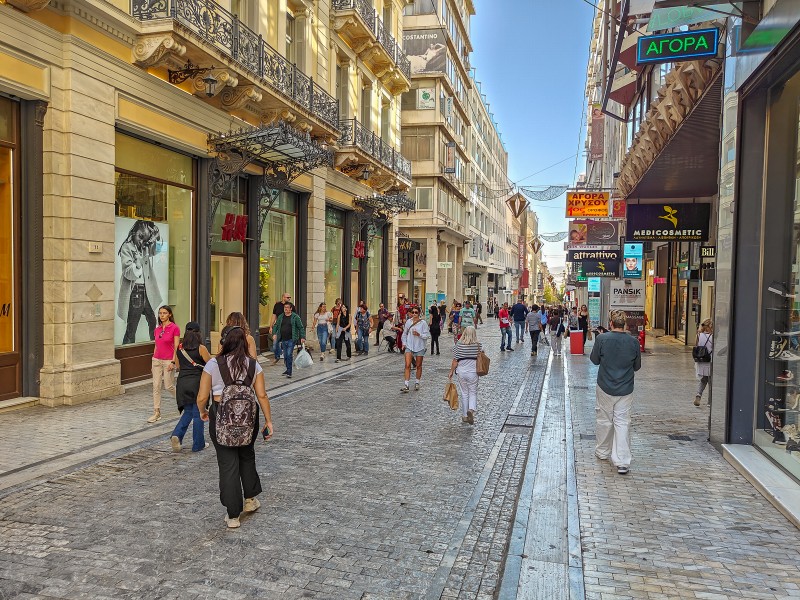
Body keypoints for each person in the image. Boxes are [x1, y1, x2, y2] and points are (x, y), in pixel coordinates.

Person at [197, 326, 274, 528]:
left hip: (220, 415)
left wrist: (203, 411)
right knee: (246, 455)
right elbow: (262, 395)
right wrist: (268, 420)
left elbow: (202, 396)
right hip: (249, 418)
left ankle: (233, 516)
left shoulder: (213, 364)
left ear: (224, 342)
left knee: (227, 462)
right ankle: (250, 499)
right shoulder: (253, 365)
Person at [589, 310, 642, 475]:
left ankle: (602, 451)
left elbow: (594, 360)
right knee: (622, 422)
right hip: (625, 387)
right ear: (624, 324)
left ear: (611, 323)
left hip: (605, 385)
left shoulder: (602, 339)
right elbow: (637, 366)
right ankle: (622, 461)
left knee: (604, 419)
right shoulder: (633, 342)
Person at [117, 220, 163, 345]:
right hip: (135, 291)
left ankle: (156, 347)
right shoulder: (127, 247)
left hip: (147, 290)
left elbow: (159, 250)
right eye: (140, 236)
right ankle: (127, 350)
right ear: (133, 232)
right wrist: (137, 264)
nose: (141, 241)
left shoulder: (144, 247)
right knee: (132, 325)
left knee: (153, 322)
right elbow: (127, 272)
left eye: (144, 238)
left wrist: (156, 237)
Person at [170, 322, 211, 452]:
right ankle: (198, 444)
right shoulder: (201, 348)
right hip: (197, 383)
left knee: (188, 411)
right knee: (199, 412)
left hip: (182, 383)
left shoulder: (180, 348)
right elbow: (211, 365)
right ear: (198, 333)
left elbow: (178, 366)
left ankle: (177, 434)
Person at [148, 305, 180, 423]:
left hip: (168, 361)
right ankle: (156, 412)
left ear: (170, 314)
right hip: (156, 360)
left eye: (164, 313)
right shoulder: (157, 329)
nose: (162, 315)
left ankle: (182, 401)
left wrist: (173, 361)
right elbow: (156, 345)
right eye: (160, 313)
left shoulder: (174, 328)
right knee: (156, 386)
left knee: (168, 386)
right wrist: (153, 359)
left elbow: (176, 346)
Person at [448, 326, 482, 425]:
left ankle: (464, 415)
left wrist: (451, 371)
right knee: (473, 392)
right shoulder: (479, 345)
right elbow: (482, 356)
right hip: (473, 372)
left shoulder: (458, 345)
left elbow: (455, 361)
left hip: (461, 372)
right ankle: (471, 409)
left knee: (464, 393)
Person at [272, 302, 305, 378]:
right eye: (285, 307)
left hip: (291, 339)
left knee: (289, 355)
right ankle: (287, 369)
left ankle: (289, 372)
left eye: (287, 307)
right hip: (283, 339)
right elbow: (276, 325)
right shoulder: (281, 317)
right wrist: (274, 333)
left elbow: (300, 327)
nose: (286, 309)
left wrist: (302, 337)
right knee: (286, 356)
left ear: (291, 309)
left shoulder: (295, 317)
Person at [401, 305, 430, 392]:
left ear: (419, 313)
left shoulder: (423, 323)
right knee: (407, 365)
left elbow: (427, 335)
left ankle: (417, 382)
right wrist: (404, 343)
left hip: (419, 346)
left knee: (418, 365)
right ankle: (406, 384)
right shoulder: (408, 322)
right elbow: (405, 333)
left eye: (416, 312)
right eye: (412, 312)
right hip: (409, 345)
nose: (414, 314)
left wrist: (419, 334)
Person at [269, 292, 295, 364]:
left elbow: (295, 317)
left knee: (287, 344)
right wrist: (271, 326)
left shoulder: (291, 306)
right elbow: (274, 316)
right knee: (275, 345)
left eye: (290, 297)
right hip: (278, 327)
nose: (289, 299)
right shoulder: (277, 305)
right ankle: (277, 356)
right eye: (287, 297)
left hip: (288, 328)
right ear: (283, 297)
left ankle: (287, 357)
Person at [694, 319, 713, 407]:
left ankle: (698, 395)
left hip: (701, 360)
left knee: (703, 380)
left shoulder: (698, 335)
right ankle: (710, 401)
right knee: (711, 381)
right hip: (710, 360)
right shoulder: (713, 336)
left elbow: (696, 346)